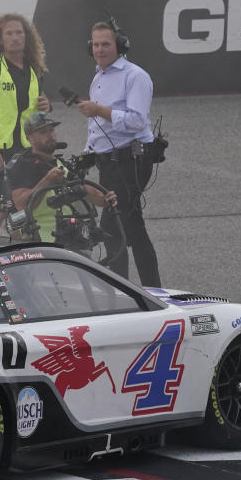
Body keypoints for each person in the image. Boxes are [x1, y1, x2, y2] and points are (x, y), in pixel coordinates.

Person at [75, 21, 161, 286]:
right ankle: (152, 289)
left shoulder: (135, 76)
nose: (100, 50)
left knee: (114, 227)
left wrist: (99, 110)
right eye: (96, 45)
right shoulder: (99, 76)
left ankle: (122, 290)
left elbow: (137, 121)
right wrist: (87, 155)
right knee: (132, 227)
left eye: (106, 44)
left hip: (132, 160)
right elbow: (97, 127)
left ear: (120, 46)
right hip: (108, 162)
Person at [0, 14, 52, 231]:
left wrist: (46, 105)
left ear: (27, 37)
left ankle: (17, 259)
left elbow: (39, 107)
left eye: (19, 32)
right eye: (9, 33)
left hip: (29, 153)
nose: (15, 37)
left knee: (25, 210)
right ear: (0, 40)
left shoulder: (35, 70)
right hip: (2, 154)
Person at [9, 111, 116, 242]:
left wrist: (106, 199)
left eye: (52, 130)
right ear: (29, 138)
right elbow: (21, 204)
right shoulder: (23, 166)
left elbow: (87, 191)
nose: (50, 135)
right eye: (43, 132)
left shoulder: (62, 164)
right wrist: (48, 180)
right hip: (43, 242)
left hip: (74, 237)